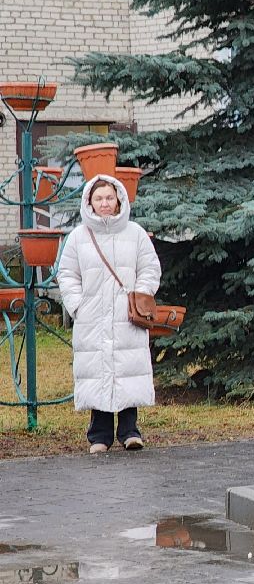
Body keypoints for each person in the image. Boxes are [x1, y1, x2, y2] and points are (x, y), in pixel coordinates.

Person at [56, 174, 162, 454]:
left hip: (127, 315)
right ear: (89, 201)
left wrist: (140, 295)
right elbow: (67, 274)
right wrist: (78, 305)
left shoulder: (135, 233)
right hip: (92, 318)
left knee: (127, 369)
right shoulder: (79, 237)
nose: (105, 203)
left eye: (109, 198)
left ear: (119, 201)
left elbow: (150, 268)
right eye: (99, 198)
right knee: (98, 372)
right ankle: (99, 436)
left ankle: (130, 432)